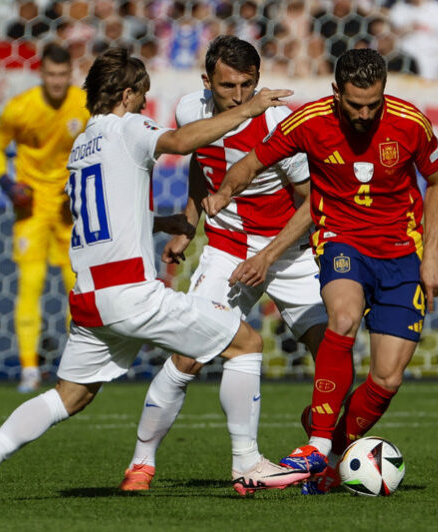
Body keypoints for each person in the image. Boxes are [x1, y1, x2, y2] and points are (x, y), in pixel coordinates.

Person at [0, 47, 308, 502]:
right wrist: (253, 108)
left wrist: (161, 223)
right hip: (131, 293)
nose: (144, 105)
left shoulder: (81, 143)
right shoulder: (128, 127)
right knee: (246, 343)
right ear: (125, 94)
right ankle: (248, 463)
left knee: (69, 397)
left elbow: (94, 213)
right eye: (141, 96)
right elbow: (180, 143)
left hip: (89, 296)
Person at [204, 48, 438, 494]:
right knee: (342, 318)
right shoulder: (309, 121)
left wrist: (431, 254)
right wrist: (224, 193)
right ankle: (317, 446)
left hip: (400, 252)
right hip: (341, 240)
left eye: (373, 104)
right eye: (355, 104)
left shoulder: (411, 123)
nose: (364, 113)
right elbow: (250, 163)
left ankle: (334, 449)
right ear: (336, 93)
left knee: (387, 378)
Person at [118, 35, 327, 492]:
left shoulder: (277, 122)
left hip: (287, 251)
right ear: (206, 81)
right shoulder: (190, 110)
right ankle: (141, 463)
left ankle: (324, 453)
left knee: (332, 352)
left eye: (247, 85)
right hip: (228, 248)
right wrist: (188, 224)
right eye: (227, 86)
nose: (239, 96)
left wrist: (269, 255)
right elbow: (202, 164)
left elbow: (313, 201)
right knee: (188, 355)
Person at [0, 42, 89, 393]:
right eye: (51, 75)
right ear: (41, 74)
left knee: (75, 285)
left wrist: (77, 189)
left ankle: (75, 366)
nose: (57, 82)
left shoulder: (83, 105)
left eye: (62, 75)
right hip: (30, 205)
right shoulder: (21, 107)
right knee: (30, 283)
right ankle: (29, 368)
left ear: (70, 74)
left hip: (67, 206)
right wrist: (7, 184)